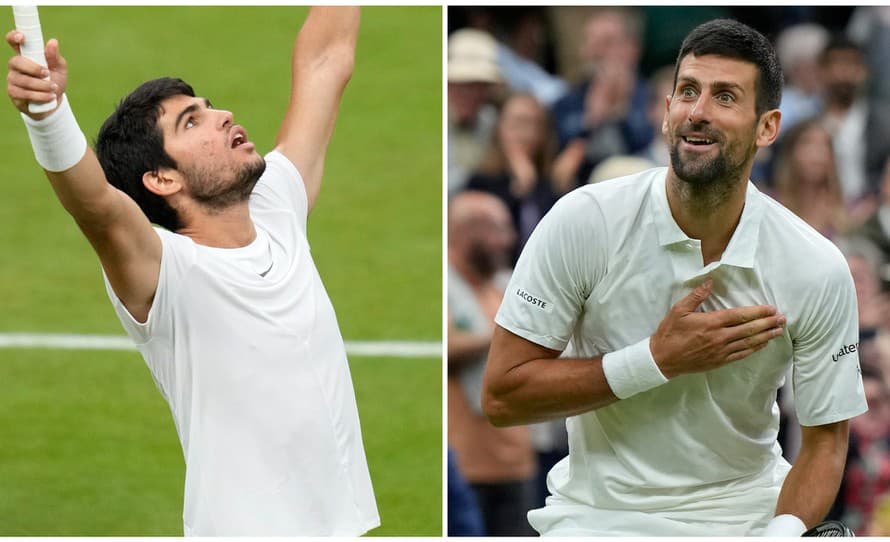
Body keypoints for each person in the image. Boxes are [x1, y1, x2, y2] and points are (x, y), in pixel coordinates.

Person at [483, 18, 867, 536]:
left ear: (767, 127)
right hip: (598, 519)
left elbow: (827, 441)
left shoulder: (816, 266)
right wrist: (656, 360)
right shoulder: (583, 220)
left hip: (747, 517)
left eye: (725, 97)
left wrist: (780, 535)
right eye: (688, 91)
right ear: (666, 113)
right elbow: (502, 397)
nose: (698, 112)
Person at [5, 7, 378, 536]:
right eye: (192, 121)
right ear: (160, 179)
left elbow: (325, 60)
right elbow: (94, 205)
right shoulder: (164, 271)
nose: (222, 114)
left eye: (207, 107)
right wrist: (46, 114)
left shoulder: (274, 207)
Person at [448, 191, 537, 536]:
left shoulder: (506, 285)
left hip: (516, 463)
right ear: (466, 232)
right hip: (466, 466)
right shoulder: (446, 285)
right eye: (498, 230)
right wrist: (506, 333)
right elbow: (447, 347)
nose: (508, 240)